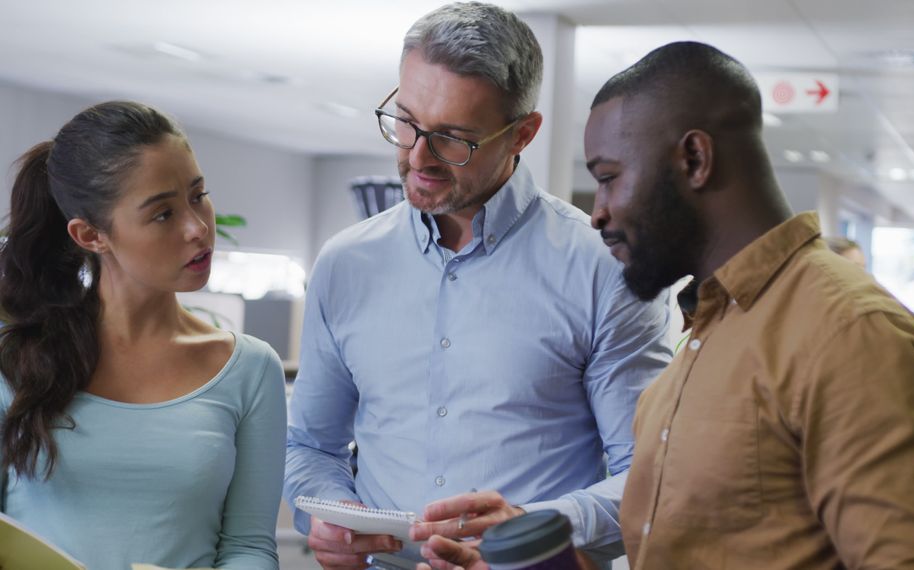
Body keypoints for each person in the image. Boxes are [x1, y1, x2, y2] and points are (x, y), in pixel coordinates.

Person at [283, 3, 672, 569]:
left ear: (523, 134)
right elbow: (311, 446)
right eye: (407, 121)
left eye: (454, 139)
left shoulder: (604, 269)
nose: (418, 156)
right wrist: (329, 515)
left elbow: (648, 478)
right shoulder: (345, 263)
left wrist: (536, 529)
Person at [582, 42, 914, 568]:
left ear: (694, 160)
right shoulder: (710, 329)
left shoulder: (854, 336)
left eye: (608, 177)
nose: (597, 212)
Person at [0, 101, 287, 569]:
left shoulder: (251, 369)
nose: (198, 228)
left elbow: (248, 547)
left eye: (198, 195)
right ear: (91, 235)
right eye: (162, 214)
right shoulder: (14, 361)